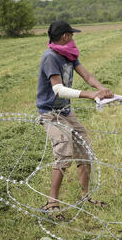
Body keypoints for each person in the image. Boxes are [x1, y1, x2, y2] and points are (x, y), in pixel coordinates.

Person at [37, 20, 114, 220]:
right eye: (72, 34)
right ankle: (51, 203)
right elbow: (58, 89)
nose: (73, 38)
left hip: (65, 111)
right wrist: (90, 95)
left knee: (85, 150)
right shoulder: (50, 57)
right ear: (65, 36)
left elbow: (86, 75)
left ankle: (84, 197)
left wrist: (101, 90)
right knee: (63, 152)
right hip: (50, 113)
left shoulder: (68, 55)